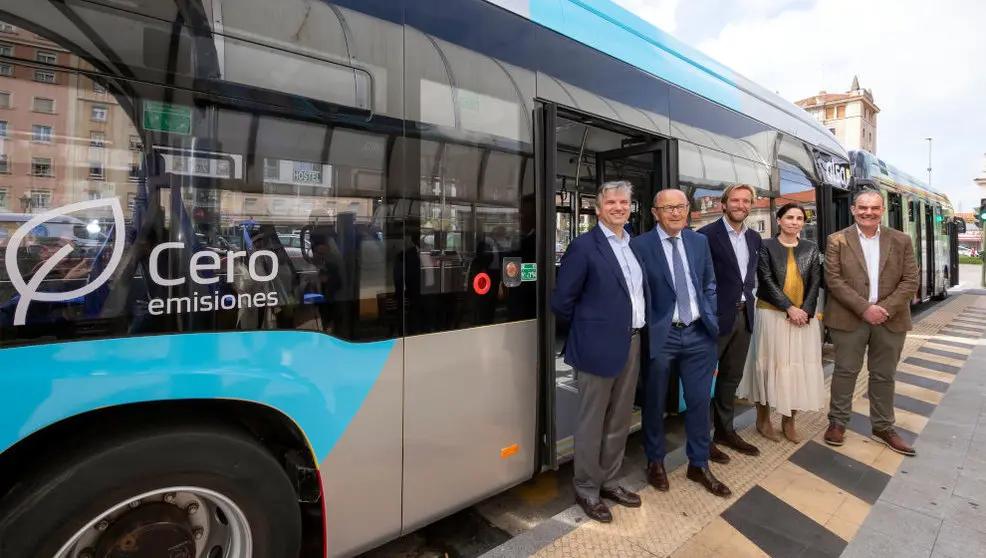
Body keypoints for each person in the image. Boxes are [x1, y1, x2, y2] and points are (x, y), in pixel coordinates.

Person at [551, 180, 647, 522]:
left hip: (632, 341)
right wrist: (589, 331)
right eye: (611, 203)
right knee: (592, 423)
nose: (618, 207)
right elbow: (562, 301)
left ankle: (609, 480)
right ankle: (586, 488)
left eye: (624, 202)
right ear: (597, 208)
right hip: (596, 347)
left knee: (619, 419)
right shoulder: (583, 247)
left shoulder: (633, 243)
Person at [631, 188, 731, 498]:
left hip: (699, 332)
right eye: (668, 208)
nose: (676, 213)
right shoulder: (639, 245)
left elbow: (709, 283)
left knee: (700, 401)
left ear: (688, 209)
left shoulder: (698, 241)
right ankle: (655, 461)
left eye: (681, 207)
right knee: (654, 401)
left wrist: (711, 316)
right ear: (655, 213)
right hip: (662, 335)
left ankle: (698, 464)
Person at [822, 190, 919, 456]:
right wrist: (865, 308)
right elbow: (834, 280)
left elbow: (911, 279)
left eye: (874, 208)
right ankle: (837, 423)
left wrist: (883, 309)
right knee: (845, 371)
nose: (868, 212)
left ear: (882, 211)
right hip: (848, 317)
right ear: (853, 210)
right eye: (863, 207)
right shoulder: (837, 240)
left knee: (884, 375)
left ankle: (883, 427)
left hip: (890, 318)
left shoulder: (901, 240)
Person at [738, 203, 825, 443]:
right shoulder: (765, 245)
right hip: (771, 316)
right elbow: (765, 280)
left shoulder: (810, 248)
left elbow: (815, 282)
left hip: (802, 319)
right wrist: (789, 308)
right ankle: (763, 419)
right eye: (789, 217)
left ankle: (789, 421)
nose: (794, 222)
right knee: (767, 367)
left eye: (799, 218)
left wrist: (805, 311)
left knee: (798, 368)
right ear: (779, 220)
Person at [697, 183, 762, 461]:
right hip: (715, 319)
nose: (740, 205)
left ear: (751, 206)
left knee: (730, 379)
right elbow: (697, 281)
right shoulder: (704, 236)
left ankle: (724, 431)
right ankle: (702, 439)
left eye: (746, 201)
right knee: (702, 382)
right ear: (723, 204)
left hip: (744, 316)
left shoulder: (754, 238)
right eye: (735, 200)